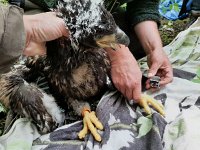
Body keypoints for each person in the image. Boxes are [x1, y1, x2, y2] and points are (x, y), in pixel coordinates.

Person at [0, 0, 173, 104]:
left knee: (133, 41)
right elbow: (74, 8)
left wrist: (154, 49)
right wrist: (118, 54)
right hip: (52, 12)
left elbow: (143, 5)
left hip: (103, 13)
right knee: (76, 71)